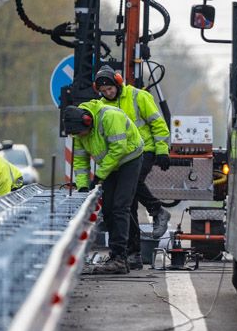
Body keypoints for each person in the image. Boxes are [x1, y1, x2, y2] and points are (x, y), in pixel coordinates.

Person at [92, 66, 172, 269]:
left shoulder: (139, 96)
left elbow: (158, 124)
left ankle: (157, 210)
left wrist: (162, 150)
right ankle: (133, 253)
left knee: (133, 184)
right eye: (103, 91)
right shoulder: (101, 106)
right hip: (123, 156)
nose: (107, 94)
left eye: (110, 89)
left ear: (118, 83)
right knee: (128, 203)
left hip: (145, 150)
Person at [70, 99, 144, 274]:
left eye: (82, 132)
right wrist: (82, 186)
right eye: (78, 134)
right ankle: (120, 254)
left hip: (129, 159)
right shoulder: (78, 132)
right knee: (109, 209)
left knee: (120, 207)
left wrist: (99, 176)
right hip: (110, 165)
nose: (81, 136)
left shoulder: (110, 117)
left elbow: (119, 149)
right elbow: (80, 161)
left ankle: (122, 257)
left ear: (88, 121)